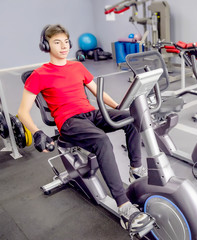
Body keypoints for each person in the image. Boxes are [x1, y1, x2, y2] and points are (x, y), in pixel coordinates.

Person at [17, 24, 154, 233]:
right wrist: (37, 132)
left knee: (131, 119)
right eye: (56, 42)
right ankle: (124, 207)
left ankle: (136, 169)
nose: (63, 46)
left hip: (91, 113)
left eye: (65, 41)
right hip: (69, 121)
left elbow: (98, 92)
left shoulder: (77, 67)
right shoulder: (39, 74)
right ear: (46, 45)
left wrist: (118, 108)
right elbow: (22, 112)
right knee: (101, 141)